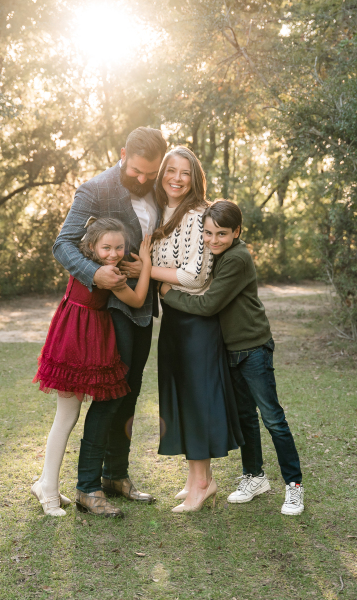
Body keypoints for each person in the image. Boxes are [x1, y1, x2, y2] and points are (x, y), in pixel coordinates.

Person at [159, 199, 304, 516]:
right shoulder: (217, 255)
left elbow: (208, 305)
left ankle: (294, 487)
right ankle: (255, 477)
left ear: (237, 232)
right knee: (245, 417)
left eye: (222, 234)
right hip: (229, 349)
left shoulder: (237, 258)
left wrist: (170, 295)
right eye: (209, 234)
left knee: (272, 418)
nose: (213, 241)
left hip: (252, 347)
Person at [51, 127, 167, 518]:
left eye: (149, 173)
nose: (142, 179)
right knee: (108, 395)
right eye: (135, 171)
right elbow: (63, 243)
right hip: (113, 307)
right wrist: (93, 273)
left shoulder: (158, 185)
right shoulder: (95, 189)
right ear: (122, 154)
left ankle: (115, 475)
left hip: (143, 306)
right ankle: (86, 486)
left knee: (131, 393)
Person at [31, 219, 152, 516]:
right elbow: (137, 300)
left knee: (68, 414)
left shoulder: (89, 264)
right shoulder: (104, 272)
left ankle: (47, 483)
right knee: (67, 414)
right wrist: (146, 265)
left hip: (89, 336)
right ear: (91, 246)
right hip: (75, 339)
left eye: (119, 247)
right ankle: (47, 489)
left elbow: (133, 299)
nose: (113, 253)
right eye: (106, 247)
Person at [150, 147, 243, 513]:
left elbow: (194, 275)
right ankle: (195, 479)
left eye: (184, 172)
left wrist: (146, 272)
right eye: (169, 170)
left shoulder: (197, 216)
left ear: (195, 178)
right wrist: (161, 284)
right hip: (174, 316)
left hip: (196, 321)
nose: (176, 178)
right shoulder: (163, 212)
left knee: (197, 399)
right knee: (182, 397)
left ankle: (202, 483)